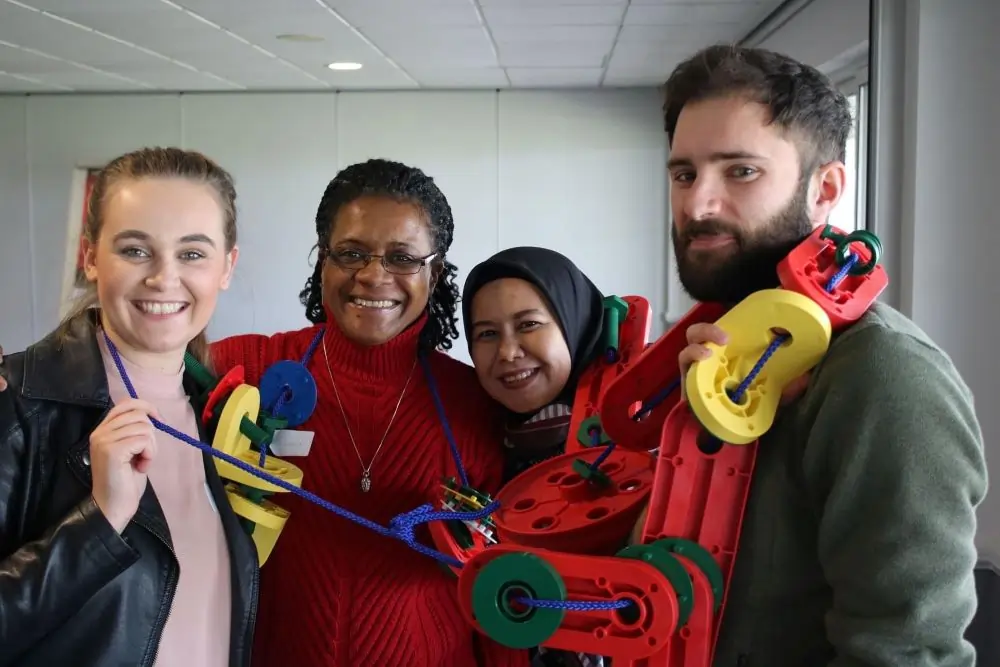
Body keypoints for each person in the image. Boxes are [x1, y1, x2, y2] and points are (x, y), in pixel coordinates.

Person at [654, 44, 987, 666]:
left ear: (826, 187)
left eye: (740, 171)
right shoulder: (719, 347)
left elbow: (904, 654)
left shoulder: (885, 377)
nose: (697, 205)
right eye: (683, 174)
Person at [206, 159, 526, 667]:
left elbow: (503, 584)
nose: (374, 275)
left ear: (435, 272)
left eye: (402, 258)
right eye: (351, 253)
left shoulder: (476, 401)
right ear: (322, 262)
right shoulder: (250, 369)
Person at [0, 147, 260, 666]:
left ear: (227, 266)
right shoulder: (19, 404)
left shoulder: (213, 414)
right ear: (91, 256)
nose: (164, 279)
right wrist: (99, 521)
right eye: (136, 250)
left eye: (192, 253)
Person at [462, 246, 611, 667]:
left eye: (528, 325)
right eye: (487, 334)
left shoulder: (640, 432)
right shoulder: (475, 442)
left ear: (573, 322)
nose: (508, 352)